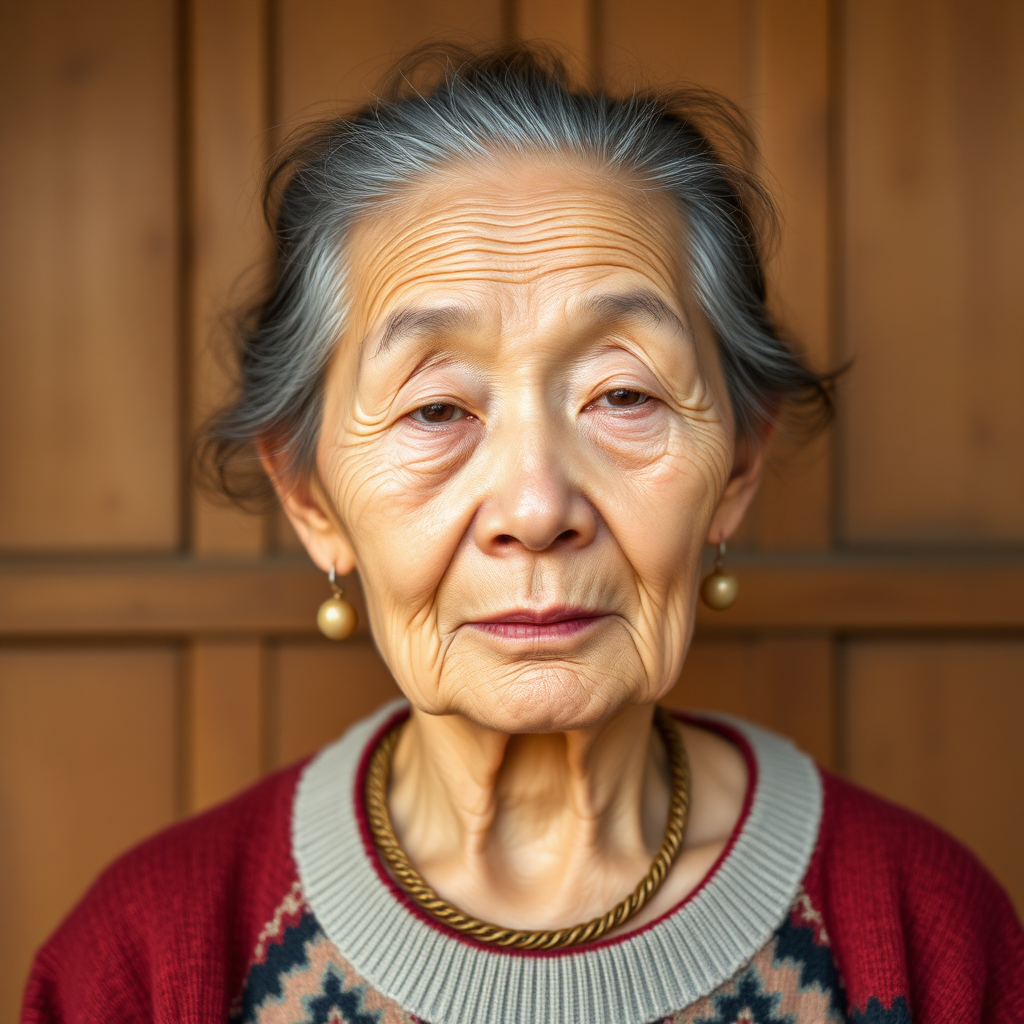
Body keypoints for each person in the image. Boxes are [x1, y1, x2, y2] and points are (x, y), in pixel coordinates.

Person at [22, 45, 1024, 1024]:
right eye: (435, 410)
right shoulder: (149, 960)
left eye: (622, 394)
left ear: (738, 469)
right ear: (311, 497)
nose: (537, 508)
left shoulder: (922, 930)